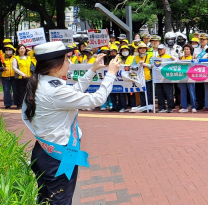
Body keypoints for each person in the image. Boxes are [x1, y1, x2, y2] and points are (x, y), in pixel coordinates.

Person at [23, 41, 120, 205]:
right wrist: (111, 74)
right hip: (58, 157)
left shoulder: (41, 81)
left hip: (45, 151)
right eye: (66, 59)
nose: (69, 63)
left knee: (46, 199)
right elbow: (97, 99)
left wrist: (92, 70)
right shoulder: (55, 90)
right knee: (60, 201)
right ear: (55, 66)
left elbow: (72, 93)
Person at [155, 44, 177, 113]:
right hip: (158, 78)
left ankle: (170, 107)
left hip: (167, 77)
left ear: (164, 49)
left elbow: (176, 62)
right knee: (159, 93)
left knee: (169, 93)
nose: (160, 51)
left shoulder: (168, 57)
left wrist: (174, 59)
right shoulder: (156, 57)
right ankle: (162, 107)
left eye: (161, 49)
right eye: (159, 49)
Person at [134, 43, 154, 113]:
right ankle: (143, 106)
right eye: (141, 48)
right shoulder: (136, 57)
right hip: (139, 78)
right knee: (142, 92)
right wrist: (138, 64)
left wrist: (146, 65)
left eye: (144, 48)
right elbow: (133, 67)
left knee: (149, 92)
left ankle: (150, 106)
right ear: (138, 50)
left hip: (148, 77)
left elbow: (153, 66)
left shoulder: (150, 56)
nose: (142, 49)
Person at [12, 44, 33, 110]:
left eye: (23, 48)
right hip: (20, 78)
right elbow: (14, 68)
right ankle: (20, 105)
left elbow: (34, 54)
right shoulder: (15, 58)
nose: (22, 50)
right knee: (20, 92)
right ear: (17, 50)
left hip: (28, 77)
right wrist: (22, 74)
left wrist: (30, 50)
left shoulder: (28, 57)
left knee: (29, 91)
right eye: (20, 49)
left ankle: (27, 105)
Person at [178, 44, 197, 113]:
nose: (186, 50)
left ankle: (193, 106)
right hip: (182, 77)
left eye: (188, 49)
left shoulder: (193, 58)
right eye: (185, 49)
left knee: (191, 92)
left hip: (191, 77)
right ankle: (184, 107)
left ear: (190, 50)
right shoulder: (180, 58)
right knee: (183, 92)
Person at [2, 44, 16, 109]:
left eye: (10, 49)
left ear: (13, 50)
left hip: (15, 77)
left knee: (16, 90)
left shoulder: (16, 57)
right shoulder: (1, 58)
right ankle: (7, 104)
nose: (8, 51)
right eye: (6, 50)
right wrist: (2, 69)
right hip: (5, 77)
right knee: (6, 91)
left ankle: (17, 103)